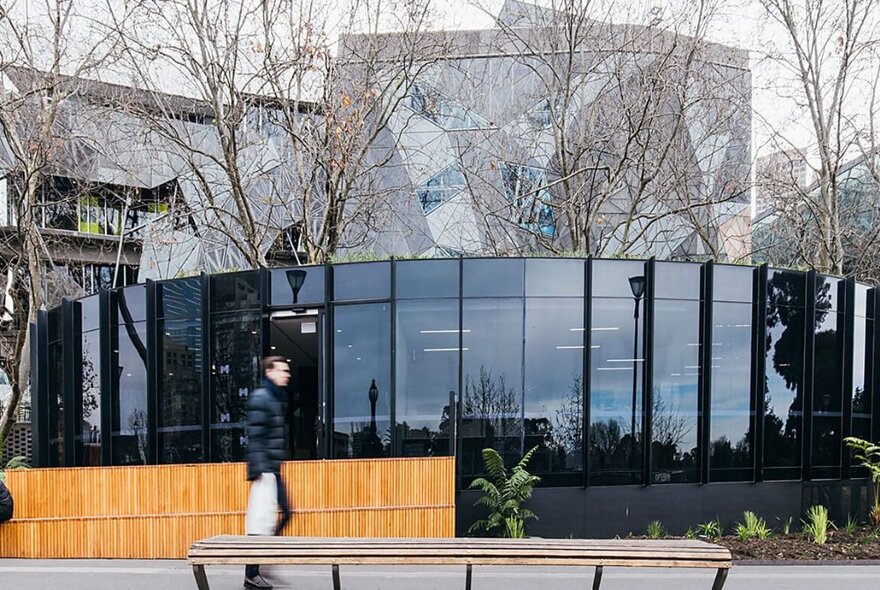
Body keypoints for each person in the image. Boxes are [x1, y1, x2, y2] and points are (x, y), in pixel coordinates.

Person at [243, 356, 292, 590]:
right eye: (283, 370)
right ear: (269, 372)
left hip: (273, 468)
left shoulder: (274, 397)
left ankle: (263, 560)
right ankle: (252, 573)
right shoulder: (262, 398)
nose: (287, 374)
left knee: (288, 513)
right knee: (259, 523)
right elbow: (255, 436)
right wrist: (261, 470)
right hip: (265, 470)